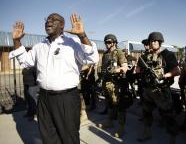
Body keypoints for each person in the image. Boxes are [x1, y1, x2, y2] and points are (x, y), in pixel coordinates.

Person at [9, 13, 99, 144]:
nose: (48, 22)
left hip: (66, 99)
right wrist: (16, 41)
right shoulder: (39, 46)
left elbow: (92, 58)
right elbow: (25, 62)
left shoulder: (72, 43)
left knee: (69, 137)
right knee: (48, 136)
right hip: (44, 99)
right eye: (47, 20)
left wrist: (82, 35)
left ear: (62, 25)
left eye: (53, 20)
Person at [135, 32, 180, 144]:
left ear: (160, 42)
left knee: (168, 115)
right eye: (151, 41)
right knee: (146, 113)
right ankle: (147, 133)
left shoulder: (167, 54)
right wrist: (141, 70)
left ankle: (172, 139)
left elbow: (177, 71)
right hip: (148, 90)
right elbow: (137, 70)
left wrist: (164, 75)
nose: (153, 43)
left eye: (155, 41)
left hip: (162, 90)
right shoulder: (145, 56)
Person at [97, 34, 129, 138]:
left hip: (116, 84)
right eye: (106, 42)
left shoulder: (119, 52)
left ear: (114, 43)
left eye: (109, 42)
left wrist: (116, 70)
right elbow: (102, 67)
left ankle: (121, 127)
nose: (107, 44)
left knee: (119, 105)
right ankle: (109, 121)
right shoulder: (105, 54)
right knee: (109, 104)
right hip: (106, 82)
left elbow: (125, 67)